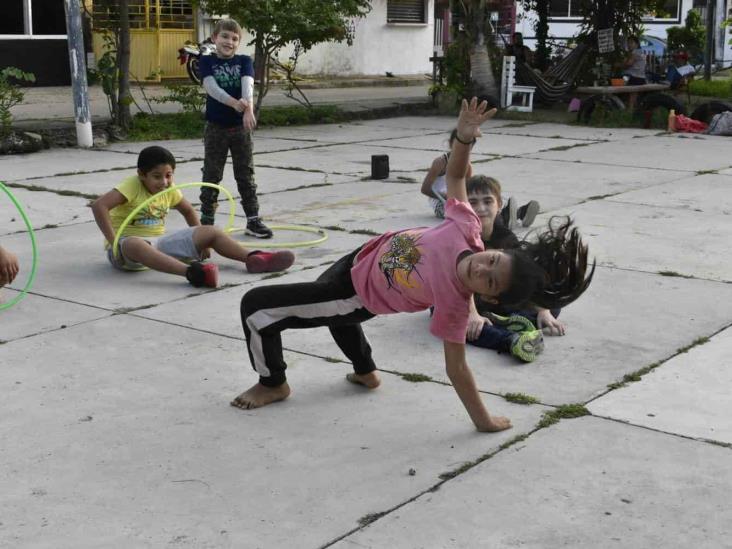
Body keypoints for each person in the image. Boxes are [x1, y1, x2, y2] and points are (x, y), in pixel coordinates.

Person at [231, 99, 594, 434]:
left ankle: (273, 382)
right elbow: (455, 178)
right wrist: (464, 138)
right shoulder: (467, 229)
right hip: (360, 259)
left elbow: (457, 369)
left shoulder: (453, 303)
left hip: (358, 293)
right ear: (492, 250)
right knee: (335, 315)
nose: (482, 270)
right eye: (492, 261)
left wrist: (483, 420)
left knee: (258, 306)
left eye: (490, 282)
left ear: (489, 298)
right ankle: (365, 372)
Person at [91, 146, 295, 288]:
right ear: (141, 174)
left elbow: (188, 210)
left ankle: (254, 258)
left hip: (158, 244)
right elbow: (99, 206)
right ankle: (194, 273)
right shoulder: (132, 185)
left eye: (169, 175)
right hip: (126, 249)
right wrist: (114, 242)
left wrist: (203, 243)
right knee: (134, 243)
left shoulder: (168, 189)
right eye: (156, 176)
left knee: (211, 231)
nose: (164, 182)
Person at [463, 175, 569, 363]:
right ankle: (511, 340)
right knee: (461, 325)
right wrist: (472, 314)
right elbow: (456, 279)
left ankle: (516, 321)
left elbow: (524, 276)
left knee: (552, 301)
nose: (480, 208)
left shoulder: (506, 238)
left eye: (487, 201)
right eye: (472, 202)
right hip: (460, 298)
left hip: (494, 299)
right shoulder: (459, 236)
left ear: (499, 205)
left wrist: (543, 309)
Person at [198, 18, 272, 238]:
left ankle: (252, 220)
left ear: (238, 42)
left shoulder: (243, 60)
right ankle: (206, 222)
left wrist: (248, 109)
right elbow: (211, 88)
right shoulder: (206, 61)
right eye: (224, 36)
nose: (229, 41)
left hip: (240, 129)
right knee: (212, 175)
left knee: (245, 174)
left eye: (234, 38)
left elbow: (247, 85)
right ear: (215, 38)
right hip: (215, 128)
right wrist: (233, 103)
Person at [420, 129, 540, 229]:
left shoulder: (467, 165)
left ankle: (520, 212)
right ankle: (507, 217)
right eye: (459, 146)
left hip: (459, 199)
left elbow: (467, 187)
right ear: (451, 144)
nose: (463, 151)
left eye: (468, 148)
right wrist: (447, 196)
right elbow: (425, 189)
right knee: (472, 214)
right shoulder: (440, 162)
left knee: (486, 200)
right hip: (442, 203)